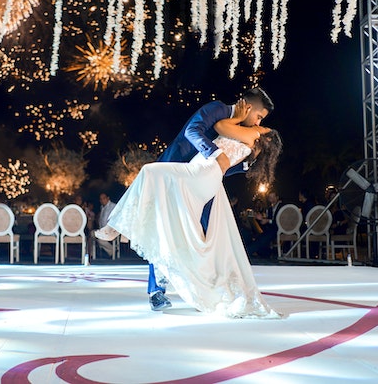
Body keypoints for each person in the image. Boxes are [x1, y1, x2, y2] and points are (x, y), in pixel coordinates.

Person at [97, 114, 283, 318]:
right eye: (259, 118)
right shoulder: (243, 140)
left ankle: (117, 225)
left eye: (261, 121)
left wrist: (244, 119)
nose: (259, 124)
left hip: (201, 175)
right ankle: (121, 229)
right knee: (175, 224)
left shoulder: (249, 135)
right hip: (201, 174)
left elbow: (221, 127)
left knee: (150, 173)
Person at [248, 190, 284, 258]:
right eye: (270, 198)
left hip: (280, 229)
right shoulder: (270, 209)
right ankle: (264, 254)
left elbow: (281, 221)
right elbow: (268, 221)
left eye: (273, 197)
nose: (272, 199)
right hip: (272, 229)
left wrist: (267, 221)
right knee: (260, 237)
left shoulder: (282, 207)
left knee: (262, 238)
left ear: (277, 197)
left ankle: (248, 252)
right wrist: (261, 219)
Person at [94, 193, 117, 258]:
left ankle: (112, 251)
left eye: (103, 198)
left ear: (108, 198)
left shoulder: (113, 206)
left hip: (111, 230)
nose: (102, 200)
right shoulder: (102, 207)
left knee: (98, 237)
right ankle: (92, 254)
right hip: (103, 230)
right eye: (100, 199)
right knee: (92, 235)